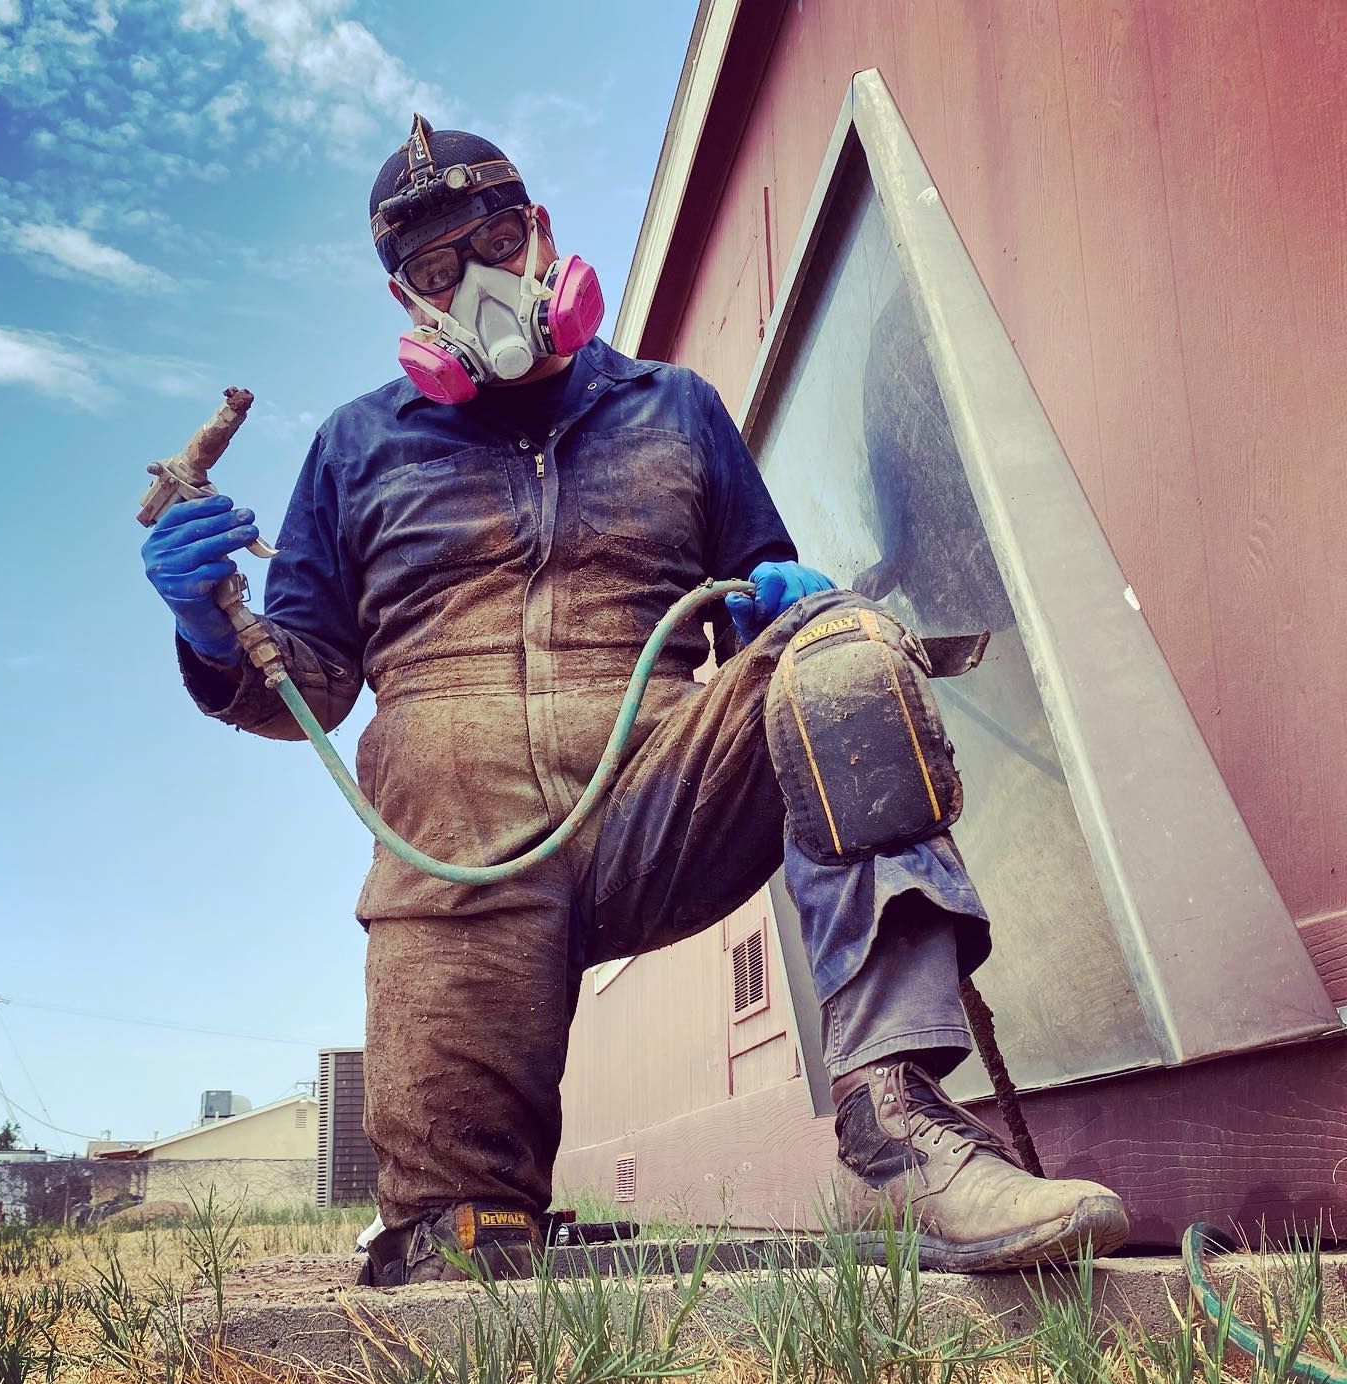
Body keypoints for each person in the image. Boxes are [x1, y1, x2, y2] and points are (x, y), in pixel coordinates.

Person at [141, 117, 1127, 1284]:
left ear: (540, 232)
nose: (480, 282)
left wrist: (787, 609)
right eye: (439, 271)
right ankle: (467, 1219)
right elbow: (302, 687)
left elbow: (767, 616)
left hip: (664, 810)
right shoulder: (355, 449)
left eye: (496, 240)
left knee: (843, 653)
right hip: (458, 873)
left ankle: (902, 1118)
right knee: (458, 1258)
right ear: (406, 299)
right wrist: (209, 623)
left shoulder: (678, 410)